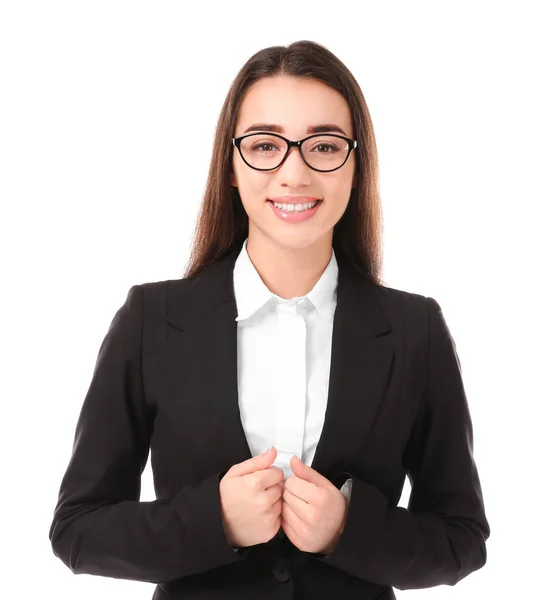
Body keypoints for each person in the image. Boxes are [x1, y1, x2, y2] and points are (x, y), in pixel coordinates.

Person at [48, 40, 490, 600]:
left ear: (356, 165)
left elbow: (462, 540)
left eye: (324, 146)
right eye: (265, 145)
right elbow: (77, 531)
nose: (294, 172)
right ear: (231, 166)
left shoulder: (414, 330)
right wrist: (213, 521)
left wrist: (347, 531)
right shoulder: (150, 321)